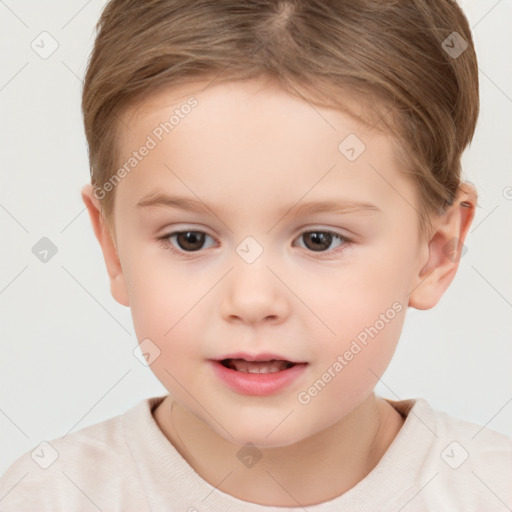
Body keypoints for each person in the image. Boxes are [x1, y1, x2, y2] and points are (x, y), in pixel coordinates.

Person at [1, 0, 510, 510]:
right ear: (112, 244)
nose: (251, 300)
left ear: (436, 252)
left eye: (319, 240)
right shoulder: (50, 496)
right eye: (190, 239)